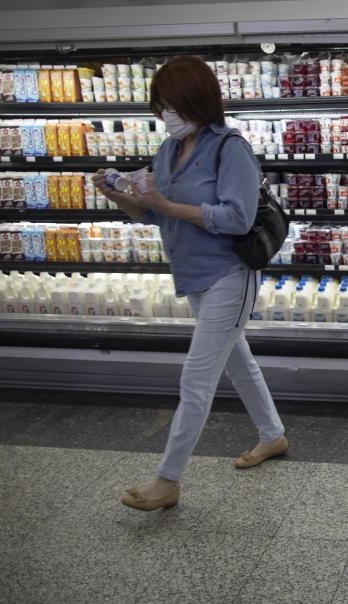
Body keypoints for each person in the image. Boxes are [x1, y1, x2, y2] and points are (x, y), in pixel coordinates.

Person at [92, 55, 288, 512]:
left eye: (171, 104)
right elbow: (151, 211)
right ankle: (273, 436)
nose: (165, 115)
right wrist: (119, 196)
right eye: (159, 106)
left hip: (229, 275)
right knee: (238, 363)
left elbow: (238, 218)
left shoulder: (229, 147)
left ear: (196, 100)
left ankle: (168, 479)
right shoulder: (167, 151)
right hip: (193, 275)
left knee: (196, 379)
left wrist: (164, 202)